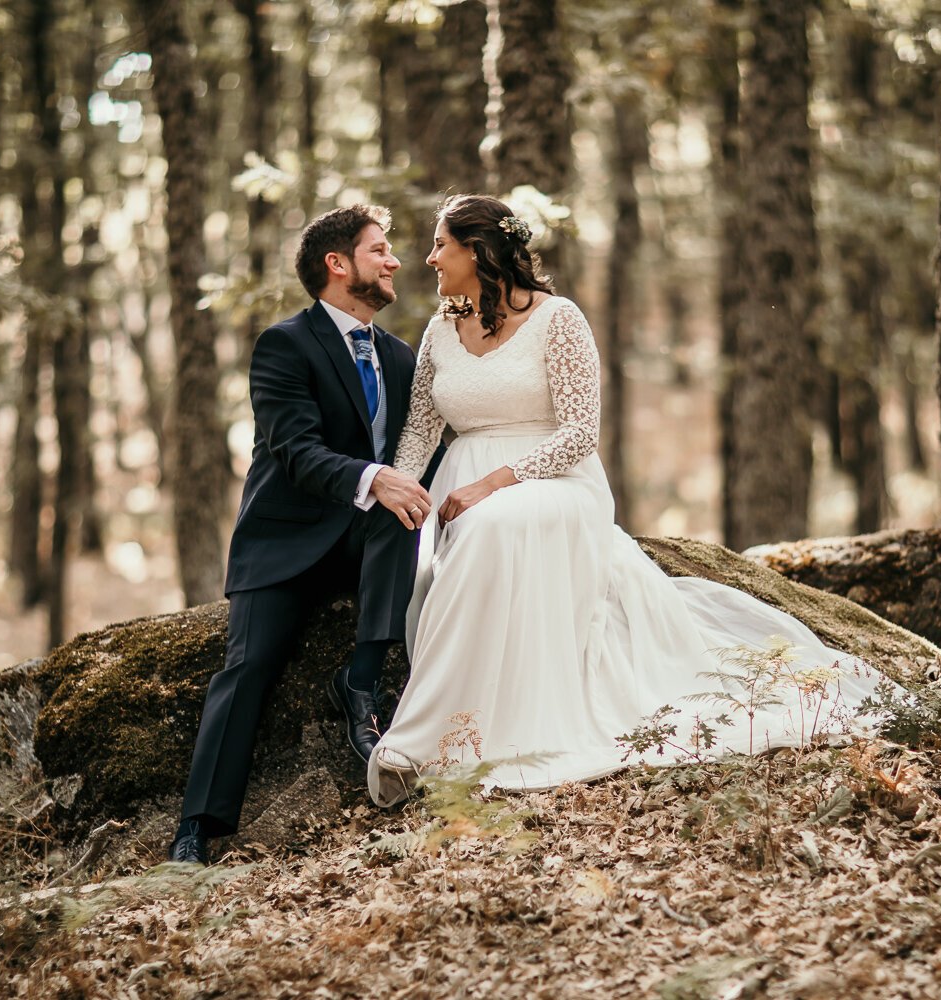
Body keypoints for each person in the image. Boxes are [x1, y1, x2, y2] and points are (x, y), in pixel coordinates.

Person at [366, 194, 895, 806]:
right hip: (460, 487)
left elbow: (578, 435)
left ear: (478, 250)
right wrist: (401, 488)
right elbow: (421, 429)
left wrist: (493, 484)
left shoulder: (558, 318)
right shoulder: (439, 330)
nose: (427, 258)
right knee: (470, 538)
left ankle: (430, 735)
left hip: (551, 484)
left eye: (440, 244)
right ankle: (451, 728)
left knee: (494, 527)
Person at [168, 206, 439, 863]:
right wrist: (376, 478)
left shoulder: (402, 359)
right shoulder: (285, 344)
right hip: (283, 545)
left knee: (397, 508)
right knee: (248, 666)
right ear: (337, 264)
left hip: (368, 545)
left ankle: (362, 685)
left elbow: (418, 457)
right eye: (380, 250)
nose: (395, 261)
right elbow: (295, 451)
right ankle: (196, 830)